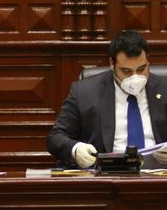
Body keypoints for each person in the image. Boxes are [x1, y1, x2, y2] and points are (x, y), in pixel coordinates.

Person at [47, 30, 167, 168]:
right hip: (106, 178)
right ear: (112, 64)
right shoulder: (84, 92)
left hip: (158, 177)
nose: (135, 77)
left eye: (141, 69)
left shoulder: (165, 88)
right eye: (126, 71)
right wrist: (76, 149)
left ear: (148, 60)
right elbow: (55, 137)